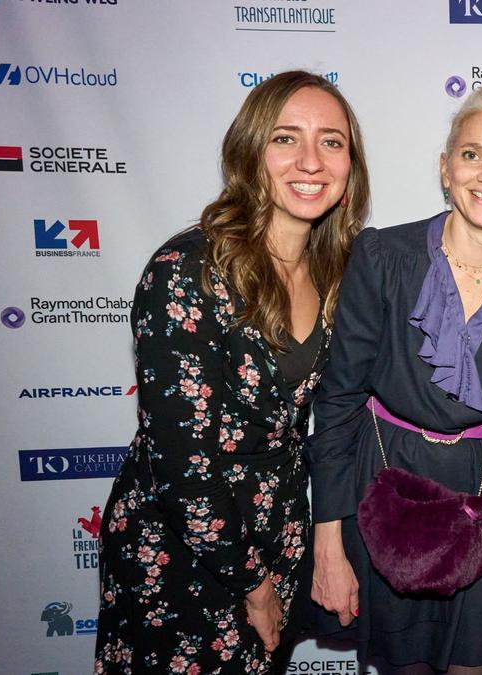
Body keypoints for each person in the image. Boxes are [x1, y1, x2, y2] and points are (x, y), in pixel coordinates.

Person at [94, 70, 370, 673]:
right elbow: (181, 463)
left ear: (351, 166)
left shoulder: (339, 273)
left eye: (331, 142)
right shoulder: (185, 270)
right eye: (284, 138)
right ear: (249, 151)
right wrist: (253, 584)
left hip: (279, 538)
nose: (310, 161)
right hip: (180, 554)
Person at [306, 81, 482, 674]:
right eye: (472, 155)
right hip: (386, 486)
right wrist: (328, 540)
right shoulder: (383, 256)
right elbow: (338, 400)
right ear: (446, 168)